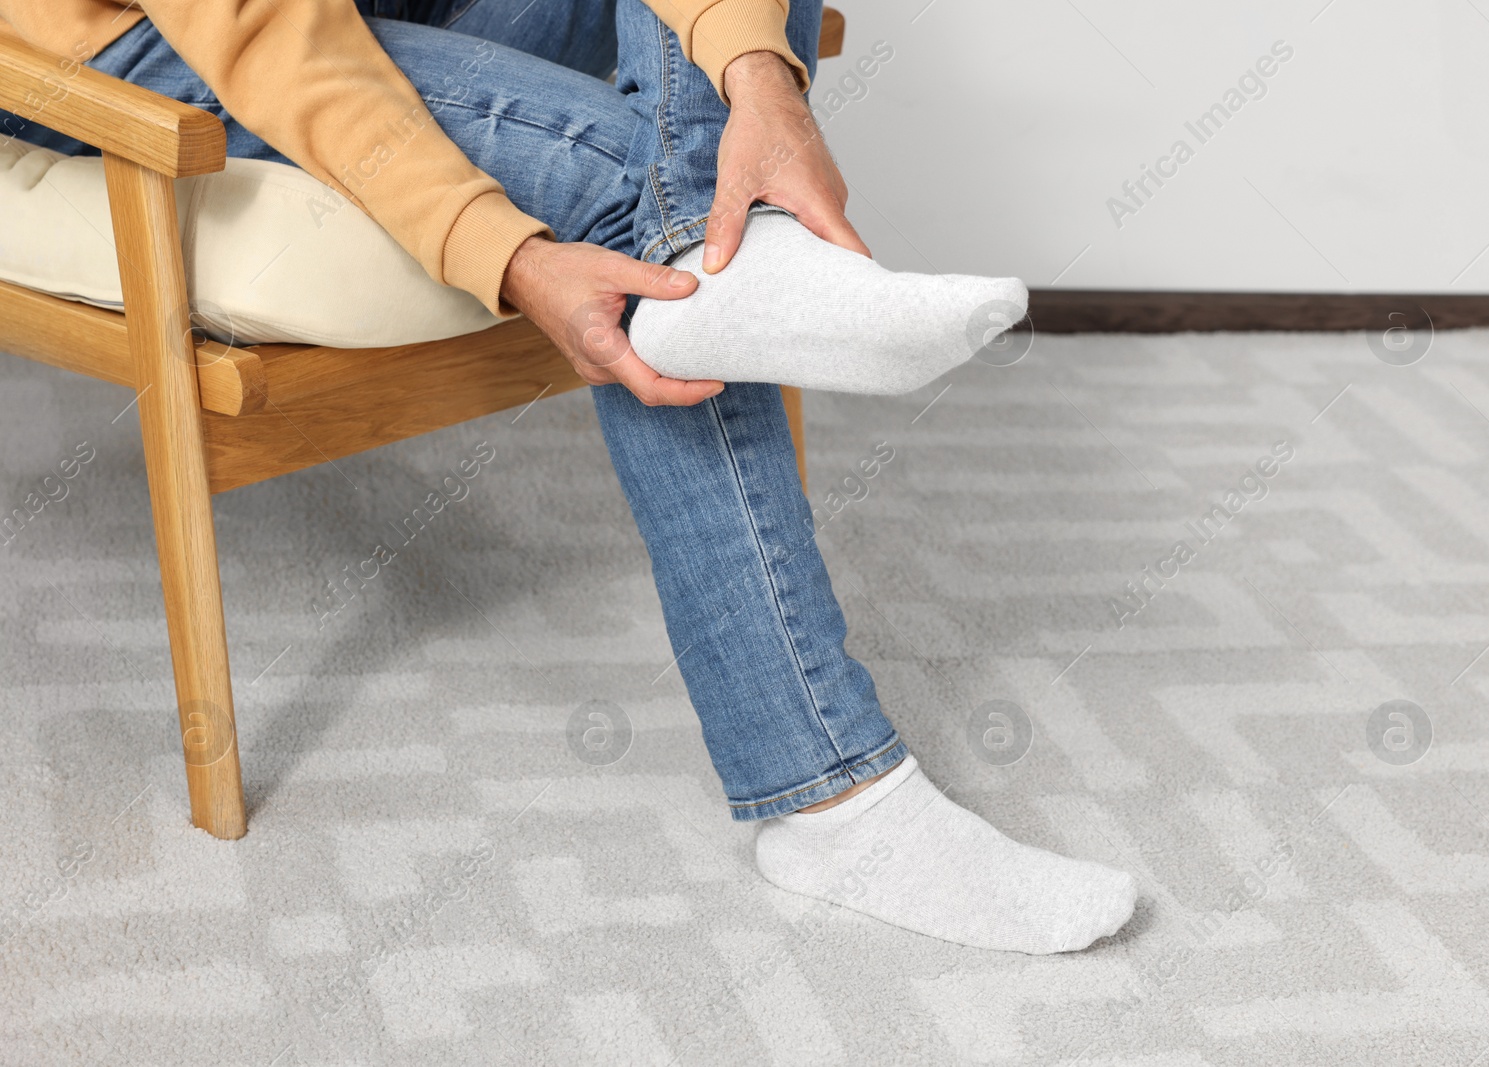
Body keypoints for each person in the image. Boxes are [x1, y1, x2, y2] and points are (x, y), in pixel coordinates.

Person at [0, 0, 1136, 954]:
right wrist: (502, 250)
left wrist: (758, 77)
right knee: (621, 184)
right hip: (145, 31)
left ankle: (705, 254)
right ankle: (831, 793)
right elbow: (262, 28)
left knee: (704, 106)